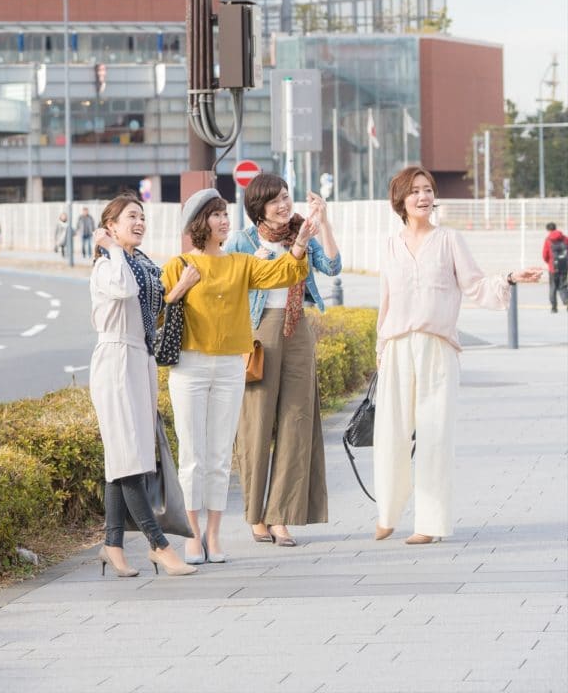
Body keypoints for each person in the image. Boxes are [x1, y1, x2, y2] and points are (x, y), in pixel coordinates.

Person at [373, 166, 542, 545]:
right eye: (415, 190)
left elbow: (475, 285)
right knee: (390, 434)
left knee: (435, 435)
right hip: (397, 346)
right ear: (400, 199)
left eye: (428, 189)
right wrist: (380, 348)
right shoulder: (389, 245)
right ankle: (387, 513)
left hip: (437, 347)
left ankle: (430, 523)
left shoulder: (449, 240)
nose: (423, 197)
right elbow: (386, 300)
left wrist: (509, 278)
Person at [161, 188, 317, 565]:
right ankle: (192, 536)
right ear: (198, 223)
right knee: (192, 456)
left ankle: (214, 536)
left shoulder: (240, 263)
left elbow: (284, 272)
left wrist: (300, 242)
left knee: (218, 456)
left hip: (231, 366)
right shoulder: (178, 264)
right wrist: (181, 287)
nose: (224, 220)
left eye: (225, 214)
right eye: (216, 215)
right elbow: (157, 311)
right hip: (189, 366)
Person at [227, 175, 341, 547]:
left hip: (297, 330)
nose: (283, 205)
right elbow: (224, 283)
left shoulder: (301, 233)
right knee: (256, 423)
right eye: (274, 200)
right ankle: (255, 514)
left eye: (286, 197)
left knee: (297, 420)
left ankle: (280, 515)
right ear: (258, 207)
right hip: (258, 333)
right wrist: (250, 265)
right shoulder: (243, 241)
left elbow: (333, 267)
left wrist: (323, 223)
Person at [89, 192, 197, 578]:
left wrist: (179, 288)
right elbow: (124, 290)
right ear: (110, 226)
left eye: (142, 217)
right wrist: (111, 249)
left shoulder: (143, 263)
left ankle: (112, 545)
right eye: (131, 217)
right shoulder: (108, 266)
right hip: (116, 359)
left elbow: (155, 307)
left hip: (141, 359)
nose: (139, 223)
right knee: (129, 459)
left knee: (126, 456)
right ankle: (159, 546)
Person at [541, 222, 568, 313]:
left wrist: (549, 263)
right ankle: (566, 301)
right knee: (563, 286)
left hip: (553, 268)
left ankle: (554, 307)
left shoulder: (548, 239)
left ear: (548, 230)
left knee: (553, 287)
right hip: (564, 266)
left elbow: (545, 255)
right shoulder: (565, 238)